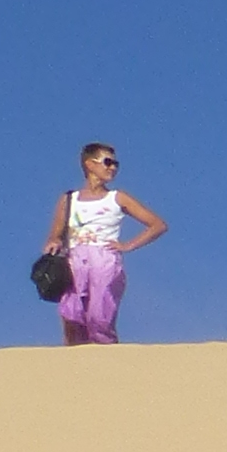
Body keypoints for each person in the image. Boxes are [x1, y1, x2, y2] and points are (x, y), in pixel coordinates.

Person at [44, 142, 165, 346]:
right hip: (74, 260)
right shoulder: (69, 199)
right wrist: (54, 242)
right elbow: (55, 233)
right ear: (90, 165)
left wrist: (128, 245)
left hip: (104, 259)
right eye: (107, 162)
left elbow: (157, 225)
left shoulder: (117, 197)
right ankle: (73, 367)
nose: (113, 168)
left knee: (100, 316)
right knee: (71, 316)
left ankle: (107, 364)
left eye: (115, 164)